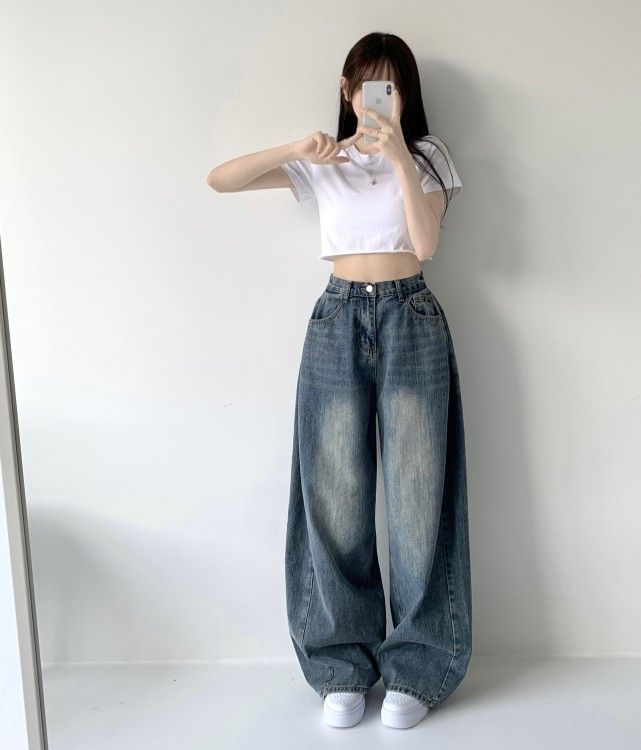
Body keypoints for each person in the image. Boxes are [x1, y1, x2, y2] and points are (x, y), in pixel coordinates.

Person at [207, 32, 472, 730]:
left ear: (405, 96)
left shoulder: (428, 155)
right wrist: (297, 148)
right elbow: (220, 180)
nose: (378, 99)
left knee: (418, 499)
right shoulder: (325, 161)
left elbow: (425, 245)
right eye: (366, 85)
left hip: (411, 317)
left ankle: (417, 668)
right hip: (336, 319)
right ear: (347, 90)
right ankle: (341, 666)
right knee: (334, 497)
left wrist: (399, 156)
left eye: (392, 87)